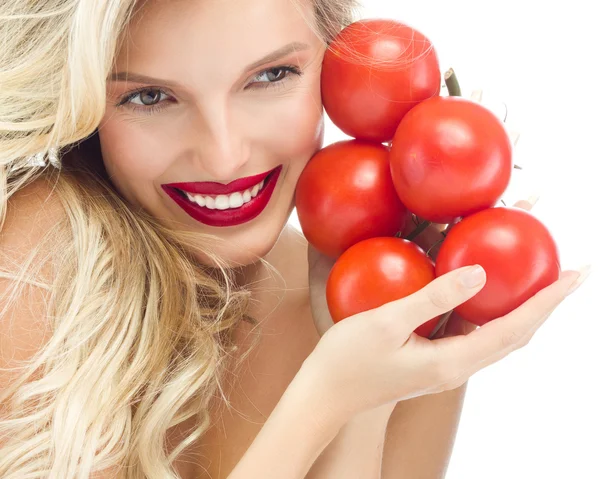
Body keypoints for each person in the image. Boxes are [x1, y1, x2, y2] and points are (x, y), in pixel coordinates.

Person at [0, 0, 590, 477]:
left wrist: (368, 397)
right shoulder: (44, 256)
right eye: (149, 96)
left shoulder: (400, 300)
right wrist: (326, 398)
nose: (224, 154)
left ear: (339, 70)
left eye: (270, 75)